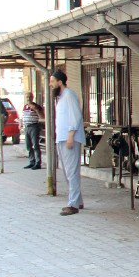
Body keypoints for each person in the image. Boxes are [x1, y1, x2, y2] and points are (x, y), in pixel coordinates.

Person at [50, 70, 85, 216]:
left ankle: (73, 204)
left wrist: (71, 135)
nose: (50, 84)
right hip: (62, 138)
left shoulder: (69, 95)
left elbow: (76, 116)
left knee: (71, 172)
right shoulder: (61, 97)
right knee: (67, 172)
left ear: (60, 82)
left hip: (70, 138)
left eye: (52, 81)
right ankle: (78, 200)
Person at [21, 91, 44, 170]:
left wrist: (36, 109)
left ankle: (38, 162)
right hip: (27, 126)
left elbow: (42, 116)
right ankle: (32, 161)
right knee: (28, 145)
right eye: (27, 97)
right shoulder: (25, 106)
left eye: (30, 96)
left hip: (34, 126)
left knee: (35, 145)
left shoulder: (36, 106)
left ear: (32, 97)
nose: (28, 98)